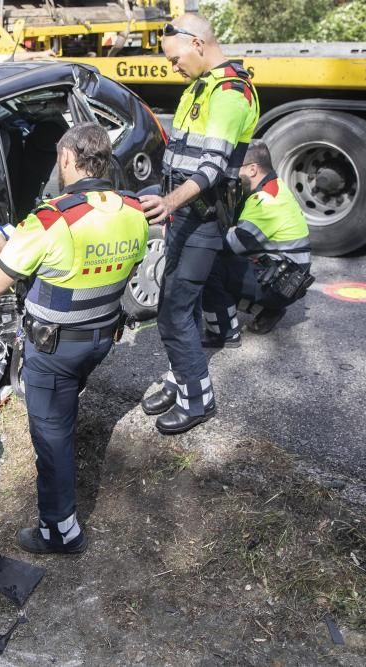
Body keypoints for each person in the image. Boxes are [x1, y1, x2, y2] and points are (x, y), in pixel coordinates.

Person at [0, 122, 148, 554]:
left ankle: (60, 530)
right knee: (64, 404)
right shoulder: (133, 209)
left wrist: (0, 245)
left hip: (54, 350)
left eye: (59, 160)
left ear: (68, 160)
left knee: (51, 437)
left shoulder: (51, 220)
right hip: (100, 339)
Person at [138, 14, 259, 435]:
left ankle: (198, 400)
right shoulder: (201, 86)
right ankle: (181, 376)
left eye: (175, 59)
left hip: (201, 216)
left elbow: (210, 169)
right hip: (187, 215)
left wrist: (168, 203)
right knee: (179, 304)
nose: (173, 67)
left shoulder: (229, 94)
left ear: (199, 44)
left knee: (173, 311)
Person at [200, 140, 311, 347]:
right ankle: (266, 310)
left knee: (208, 263)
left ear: (252, 169)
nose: (230, 174)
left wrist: (202, 233)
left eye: (235, 169)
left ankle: (223, 333)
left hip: (282, 281)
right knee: (226, 264)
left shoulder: (265, 201)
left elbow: (232, 245)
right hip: (286, 275)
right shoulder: (274, 187)